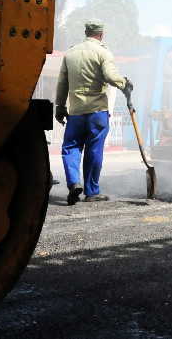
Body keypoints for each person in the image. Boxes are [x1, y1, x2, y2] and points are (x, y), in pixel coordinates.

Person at [55, 19, 133, 205]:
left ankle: (74, 182)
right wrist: (124, 84)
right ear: (101, 34)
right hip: (97, 111)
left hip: (75, 112)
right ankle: (92, 192)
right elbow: (109, 76)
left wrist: (60, 106)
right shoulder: (103, 52)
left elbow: (62, 83)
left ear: (86, 32)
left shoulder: (70, 53)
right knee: (94, 149)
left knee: (70, 147)